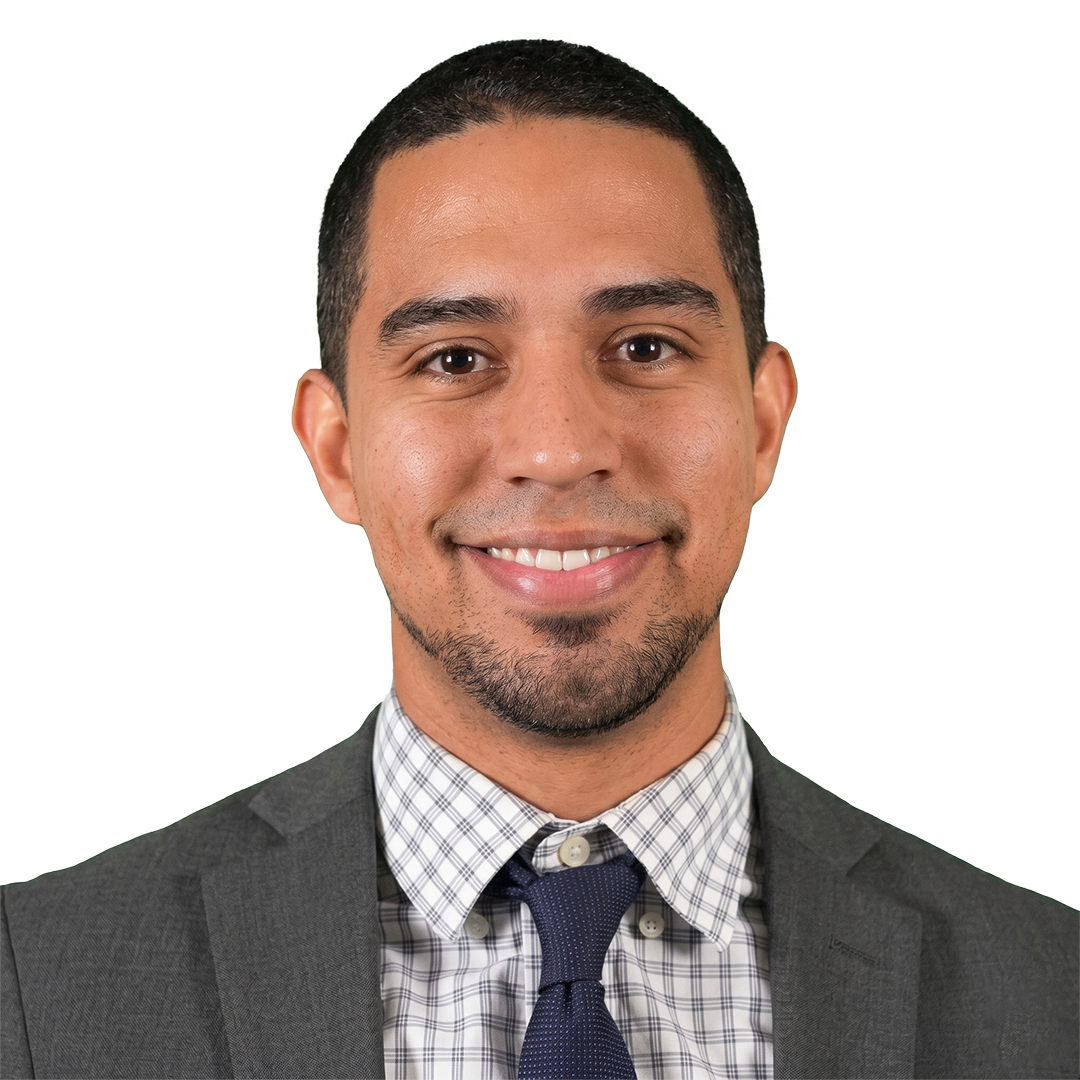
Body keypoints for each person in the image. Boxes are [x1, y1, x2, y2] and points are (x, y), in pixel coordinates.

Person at [2, 38, 1077, 1080]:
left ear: (761, 422)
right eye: (455, 359)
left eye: (645, 347)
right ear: (335, 451)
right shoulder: (31, 984)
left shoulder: (1055, 996)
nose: (559, 449)